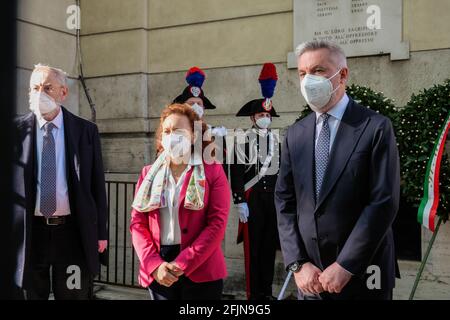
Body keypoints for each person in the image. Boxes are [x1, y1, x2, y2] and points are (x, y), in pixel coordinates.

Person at [275, 40, 400, 300]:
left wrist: (346, 265)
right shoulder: (295, 134)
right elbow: (284, 201)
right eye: (302, 73)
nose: (308, 80)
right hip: (309, 280)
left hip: (364, 276)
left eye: (318, 70)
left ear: (342, 74)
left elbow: (383, 202)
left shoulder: (375, 127)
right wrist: (297, 264)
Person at [12, 64, 108, 300]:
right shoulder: (15, 131)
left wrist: (101, 233)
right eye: (34, 88)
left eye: (47, 87)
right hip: (31, 233)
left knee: (73, 294)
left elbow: (97, 185)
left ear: (63, 93)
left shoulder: (85, 131)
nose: (39, 94)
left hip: (72, 233)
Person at [130, 103, 230, 300]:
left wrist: (183, 263)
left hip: (202, 268)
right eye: (166, 131)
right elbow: (137, 223)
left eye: (178, 130)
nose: (171, 136)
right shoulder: (148, 173)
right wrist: (154, 264)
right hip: (160, 268)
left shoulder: (212, 170)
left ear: (193, 135)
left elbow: (217, 224)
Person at [230, 63, 281, 300]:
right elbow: (237, 172)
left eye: (267, 116)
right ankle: (253, 295)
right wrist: (239, 200)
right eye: (261, 115)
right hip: (252, 200)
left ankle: (266, 291)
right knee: (253, 249)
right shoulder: (242, 140)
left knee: (269, 248)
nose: (265, 119)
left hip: (272, 200)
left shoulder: (278, 141)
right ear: (253, 117)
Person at [173, 66, 229, 174]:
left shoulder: (217, 134)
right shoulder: (173, 132)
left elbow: (222, 169)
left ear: (204, 108)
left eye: (198, 103)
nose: (195, 106)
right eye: (191, 103)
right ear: (183, 107)